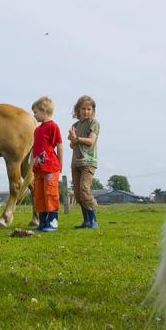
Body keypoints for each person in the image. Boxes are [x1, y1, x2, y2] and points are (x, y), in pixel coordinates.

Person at [30, 97, 64, 232]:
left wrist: (60, 164)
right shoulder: (37, 130)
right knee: (39, 196)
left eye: (35, 112)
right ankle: (43, 223)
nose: (34, 115)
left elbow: (59, 146)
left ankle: (53, 223)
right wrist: (33, 161)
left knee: (50, 194)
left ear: (44, 111)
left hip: (50, 168)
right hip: (38, 169)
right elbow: (35, 148)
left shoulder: (53, 127)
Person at [68, 95, 100, 229]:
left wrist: (77, 139)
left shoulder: (94, 123)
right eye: (83, 109)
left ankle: (93, 219)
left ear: (92, 110)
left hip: (88, 162)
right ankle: (86, 220)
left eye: (89, 109)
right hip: (76, 162)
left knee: (84, 189)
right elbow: (72, 145)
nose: (86, 111)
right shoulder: (75, 125)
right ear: (78, 110)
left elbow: (91, 141)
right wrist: (72, 139)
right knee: (77, 193)